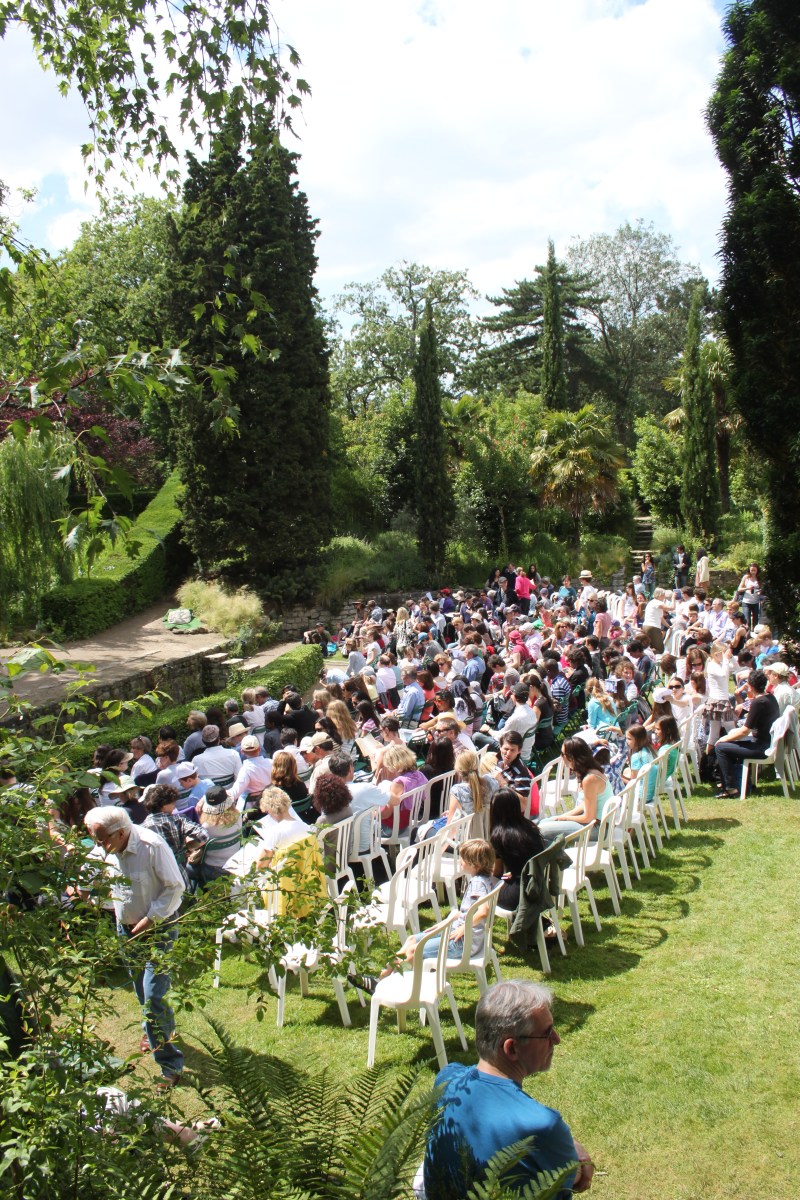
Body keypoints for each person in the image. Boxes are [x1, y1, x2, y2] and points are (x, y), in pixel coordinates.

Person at [423, 979, 593, 1199]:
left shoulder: (445, 1079)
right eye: (547, 1032)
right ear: (511, 1048)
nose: (557, 1039)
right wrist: (579, 1155)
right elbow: (576, 1177)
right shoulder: (543, 1126)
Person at [84, 807, 185, 1087]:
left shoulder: (151, 846)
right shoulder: (105, 847)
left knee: (153, 995)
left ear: (121, 832)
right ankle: (154, 1032)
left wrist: (151, 918)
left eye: (104, 840)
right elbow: (91, 875)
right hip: (125, 929)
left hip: (158, 927)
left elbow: (175, 887)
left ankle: (170, 1065)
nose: (100, 847)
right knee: (142, 990)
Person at [715, 669, 780, 797]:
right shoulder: (770, 698)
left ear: (750, 685)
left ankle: (730, 788)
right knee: (728, 744)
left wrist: (724, 739)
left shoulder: (758, 702)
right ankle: (738, 783)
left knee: (720, 748)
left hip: (762, 747)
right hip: (766, 742)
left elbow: (745, 731)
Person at [537, 738, 614, 844]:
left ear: (571, 758)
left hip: (598, 828)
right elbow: (584, 805)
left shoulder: (590, 779)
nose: (561, 757)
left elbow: (589, 817)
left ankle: (552, 859)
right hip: (595, 823)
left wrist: (565, 819)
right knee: (543, 822)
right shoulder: (589, 772)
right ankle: (553, 858)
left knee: (541, 831)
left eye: (562, 754)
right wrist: (562, 817)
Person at [489, 788, 546, 910]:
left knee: (482, 881)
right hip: (538, 886)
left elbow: (497, 872)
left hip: (518, 896)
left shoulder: (499, 836)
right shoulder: (530, 827)